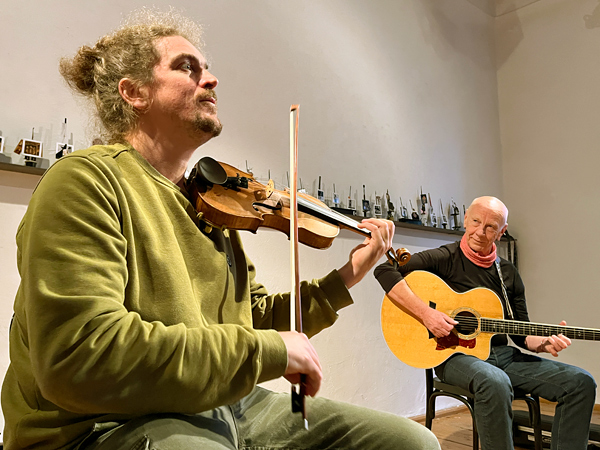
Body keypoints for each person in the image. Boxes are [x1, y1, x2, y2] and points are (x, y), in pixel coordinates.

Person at [0, 9, 440, 450]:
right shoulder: (85, 181)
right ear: (134, 92)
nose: (211, 79)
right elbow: (81, 357)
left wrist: (349, 275)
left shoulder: (212, 205)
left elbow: (252, 318)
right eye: (186, 67)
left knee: (410, 442)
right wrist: (270, 352)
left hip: (224, 404)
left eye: (207, 68)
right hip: (105, 423)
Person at [375, 196, 596, 450]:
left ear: (501, 232)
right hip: (454, 357)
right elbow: (385, 270)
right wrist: (427, 314)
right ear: (465, 219)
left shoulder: (508, 273)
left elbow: (521, 333)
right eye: (476, 222)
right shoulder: (445, 257)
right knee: (494, 381)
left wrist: (543, 343)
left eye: (490, 227)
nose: (480, 232)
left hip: (504, 357)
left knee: (581, 382)